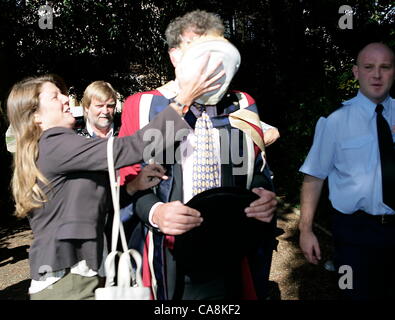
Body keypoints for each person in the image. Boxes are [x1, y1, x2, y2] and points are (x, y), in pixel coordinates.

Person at [7, 67, 219, 299]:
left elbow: (89, 205)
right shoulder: (55, 143)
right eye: (55, 96)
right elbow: (129, 148)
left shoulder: (52, 146)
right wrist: (182, 103)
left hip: (78, 276)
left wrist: (131, 186)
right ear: (36, 116)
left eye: (62, 93)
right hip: (68, 282)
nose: (66, 99)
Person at [118, 10, 278, 300]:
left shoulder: (242, 103)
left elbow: (257, 168)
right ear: (175, 56)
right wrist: (156, 212)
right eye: (198, 49)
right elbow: (129, 179)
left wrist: (264, 194)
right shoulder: (144, 106)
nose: (209, 61)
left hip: (231, 243)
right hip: (169, 249)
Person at [298, 42, 395, 300]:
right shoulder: (335, 121)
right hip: (354, 235)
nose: (377, 74)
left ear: (394, 71)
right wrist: (305, 230)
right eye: (368, 67)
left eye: (385, 67)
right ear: (356, 72)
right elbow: (314, 176)